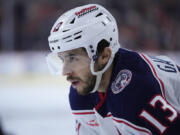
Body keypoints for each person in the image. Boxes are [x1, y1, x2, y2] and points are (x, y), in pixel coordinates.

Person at [46, 4, 180, 135]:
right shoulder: (82, 93)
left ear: (104, 55)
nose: (65, 72)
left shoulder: (135, 92)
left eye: (73, 58)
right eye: (62, 59)